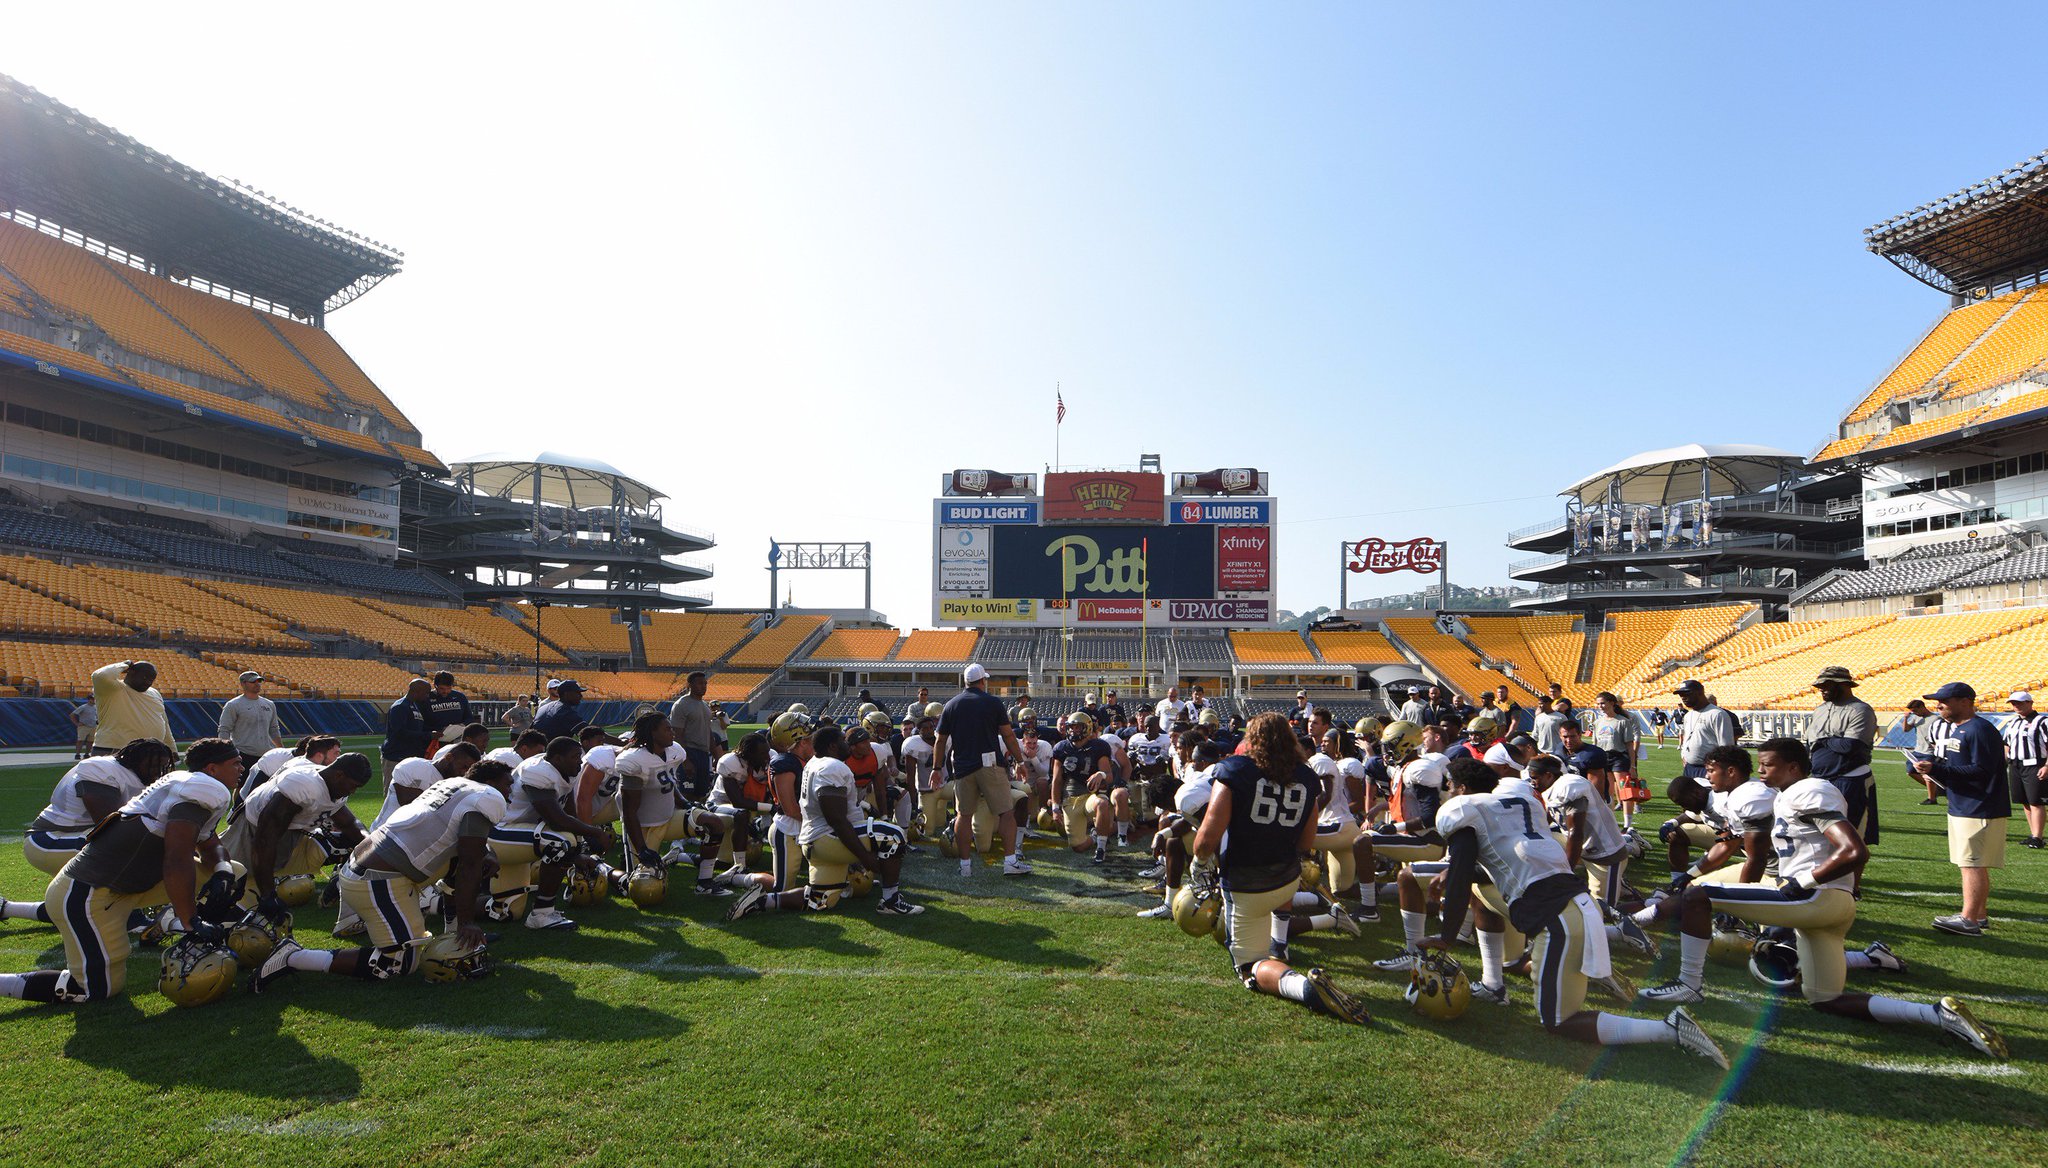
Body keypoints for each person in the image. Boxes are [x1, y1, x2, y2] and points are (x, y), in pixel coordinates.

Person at [1638, 739, 2005, 1059]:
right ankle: (1937, 1014)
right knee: (1826, 998)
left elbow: (1854, 850)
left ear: (1792, 767)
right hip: (1829, 908)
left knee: (1699, 895)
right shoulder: (1788, 796)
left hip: (1815, 897)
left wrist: (1805, 880)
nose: (1761, 771)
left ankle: (1688, 985)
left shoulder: (1809, 791)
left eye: (1767, 765)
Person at [1426, 757, 1728, 1067]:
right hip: (1575, 906)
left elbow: (1464, 871)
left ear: (1461, 787)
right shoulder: (1519, 805)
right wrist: (1455, 875)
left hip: (1558, 920)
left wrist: (1447, 935)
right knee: (1556, 1006)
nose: (1447, 792)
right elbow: (1500, 861)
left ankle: (1671, 1029)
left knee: (1558, 1021)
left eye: (1450, 785)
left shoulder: (1464, 811)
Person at [0, 739, 244, 1003]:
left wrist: (221, 870)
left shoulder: (190, 784)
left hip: (133, 883)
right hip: (90, 895)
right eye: (235, 763)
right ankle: (184, 925)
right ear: (212, 769)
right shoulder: (202, 789)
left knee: (235, 871)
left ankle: (210, 933)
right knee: (95, 989)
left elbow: (209, 843)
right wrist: (190, 920)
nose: (242, 768)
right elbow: (177, 859)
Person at [251, 759, 513, 992]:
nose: (511, 791)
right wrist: (468, 919)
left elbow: (465, 846)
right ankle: (294, 957)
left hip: (377, 866)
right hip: (378, 878)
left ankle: (454, 936)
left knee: (472, 860)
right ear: (489, 783)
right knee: (397, 964)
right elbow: (469, 864)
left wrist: (485, 852)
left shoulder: (458, 785)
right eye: (507, 784)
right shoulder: (487, 796)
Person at [1188, 712, 1371, 1024]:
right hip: (1287, 879)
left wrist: (1199, 863)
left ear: (1252, 739)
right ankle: (1287, 942)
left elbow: (1207, 836)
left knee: (1250, 966)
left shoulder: (1234, 770)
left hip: (1247, 884)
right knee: (1274, 912)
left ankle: (1305, 989)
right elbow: (1307, 840)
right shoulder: (1307, 776)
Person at [725, 723, 923, 920]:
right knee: (893, 835)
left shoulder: (815, 763)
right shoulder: (831, 766)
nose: (847, 744)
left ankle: (761, 902)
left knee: (820, 900)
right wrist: (864, 856)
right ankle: (891, 901)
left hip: (814, 839)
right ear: (832, 747)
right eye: (842, 741)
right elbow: (836, 819)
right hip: (827, 838)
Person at [0, 739, 177, 925]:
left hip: (75, 837)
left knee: (85, 909)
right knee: (126, 853)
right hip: (48, 840)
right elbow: (110, 824)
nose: (158, 772)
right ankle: (133, 918)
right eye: (153, 766)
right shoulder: (101, 769)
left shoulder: (132, 775)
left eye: (163, 766)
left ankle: (7, 908)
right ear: (135, 760)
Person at [224, 752, 372, 918]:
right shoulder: (304, 787)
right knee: (233, 878)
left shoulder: (331, 783)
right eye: (353, 785)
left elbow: (349, 824)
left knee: (354, 844)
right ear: (339, 775)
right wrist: (268, 894)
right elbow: (265, 840)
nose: (352, 791)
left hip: (292, 832)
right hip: (253, 829)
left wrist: (373, 845)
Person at [1913, 683, 2010, 938]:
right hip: (1964, 804)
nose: (1938, 705)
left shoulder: (1979, 729)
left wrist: (1938, 770)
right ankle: (1978, 914)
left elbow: (1982, 770)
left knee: (1972, 864)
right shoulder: (1961, 729)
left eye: (1944, 700)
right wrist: (1935, 766)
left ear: (1966, 701)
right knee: (1970, 863)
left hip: (1979, 806)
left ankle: (1968, 920)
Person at [934, 664, 1032, 877]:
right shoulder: (992, 702)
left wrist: (936, 768)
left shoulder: (951, 705)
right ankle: (1009, 862)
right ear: (982, 681)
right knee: (1006, 812)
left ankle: (965, 866)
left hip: (962, 766)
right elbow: (1007, 735)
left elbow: (940, 741)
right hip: (989, 764)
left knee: (963, 815)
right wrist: (1020, 761)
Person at [1807, 667, 1880, 866]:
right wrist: (1831, 740)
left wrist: (1825, 740)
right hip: (1821, 778)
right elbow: (1811, 744)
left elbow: (1851, 746)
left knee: (1853, 834)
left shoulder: (1860, 709)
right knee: (1821, 832)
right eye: (1820, 686)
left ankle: (1852, 887)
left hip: (1850, 779)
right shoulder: (1820, 710)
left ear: (1843, 685)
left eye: (1827, 685)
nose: (1822, 689)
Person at [1051, 712, 1120, 863]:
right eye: (1071, 727)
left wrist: (1100, 774)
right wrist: (1055, 806)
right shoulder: (1061, 748)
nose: (1073, 731)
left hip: (1091, 795)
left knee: (1101, 803)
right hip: (1071, 798)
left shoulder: (1099, 746)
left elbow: (1109, 775)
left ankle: (1101, 847)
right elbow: (1056, 780)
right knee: (1078, 846)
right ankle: (1097, 835)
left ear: (1087, 728)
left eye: (1078, 727)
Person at [1998, 689, 2048, 850]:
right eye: (2013, 703)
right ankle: (2033, 834)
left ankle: (2038, 837)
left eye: (2020, 702)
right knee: (2025, 802)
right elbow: (2007, 743)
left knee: (2036, 801)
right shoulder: (2013, 722)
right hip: (2016, 765)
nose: (2016, 706)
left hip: (2035, 764)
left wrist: (2047, 766)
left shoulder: (2042, 721)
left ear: (2030, 703)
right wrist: (2004, 761)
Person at [90, 659, 172, 754]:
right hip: (113, 749)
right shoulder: (113, 688)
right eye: (145, 678)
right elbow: (99, 675)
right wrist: (125, 664)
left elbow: (164, 723)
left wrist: (171, 748)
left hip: (149, 751)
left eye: (151, 680)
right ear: (130, 672)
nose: (148, 682)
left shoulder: (154, 693)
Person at [669, 671, 729, 795]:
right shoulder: (681, 705)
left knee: (702, 793)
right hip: (689, 753)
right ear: (689, 685)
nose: (703, 686)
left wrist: (717, 756)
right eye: (700, 683)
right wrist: (685, 760)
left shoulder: (705, 706)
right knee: (687, 794)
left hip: (703, 754)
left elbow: (708, 733)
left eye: (705, 683)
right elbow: (677, 734)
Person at [1593, 692, 1647, 826]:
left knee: (1625, 791)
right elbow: (1595, 744)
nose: (1600, 706)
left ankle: (1628, 824)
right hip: (1603, 758)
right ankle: (1611, 822)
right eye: (1598, 703)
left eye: (1603, 703)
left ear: (1612, 703)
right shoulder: (1597, 722)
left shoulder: (1623, 721)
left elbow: (1629, 745)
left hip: (1619, 758)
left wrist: (1633, 766)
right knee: (1607, 792)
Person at [1673, 679, 1738, 780]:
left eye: (1687, 693)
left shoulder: (1717, 714)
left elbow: (1726, 747)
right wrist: (1684, 755)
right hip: (1689, 768)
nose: (1683, 698)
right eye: (1681, 694)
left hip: (1709, 769)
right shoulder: (1688, 715)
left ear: (1699, 693)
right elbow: (1687, 738)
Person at [381, 678, 433, 782]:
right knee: (393, 791)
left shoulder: (414, 705)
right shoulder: (400, 706)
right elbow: (399, 732)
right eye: (426, 693)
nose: (427, 696)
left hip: (410, 756)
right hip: (396, 756)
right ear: (417, 691)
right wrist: (428, 735)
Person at [1901, 699, 1943, 804]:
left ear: (1922, 707)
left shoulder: (1935, 719)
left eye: (1915, 710)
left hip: (1929, 751)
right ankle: (1937, 790)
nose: (1914, 713)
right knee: (1910, 771)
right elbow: (1906, 729)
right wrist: (1906, 718)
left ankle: (1932, 798)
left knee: (1927, 775)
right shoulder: (1916, 717)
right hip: (1918, 750)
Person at [422, 671, 474, 743]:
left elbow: (469, 718)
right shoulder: (425, 698)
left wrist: (461, 725)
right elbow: (421, 723)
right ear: (435, 685)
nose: (445, 691)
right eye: (442, 688)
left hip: (458, 739)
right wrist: (439, 729)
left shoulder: (460, 697)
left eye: (449, 688)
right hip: (434, 740)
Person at [69, 696, 96, 761]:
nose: (94, 700)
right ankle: (77, 754)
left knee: (90, 741)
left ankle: (87, 754)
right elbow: (72, 714)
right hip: (84, 726)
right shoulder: (83, 707)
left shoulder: (96, 707)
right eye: (92, 699)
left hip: (93, 726)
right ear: (89, 700)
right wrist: (77, 723)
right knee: (80, 740)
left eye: (94, 699)